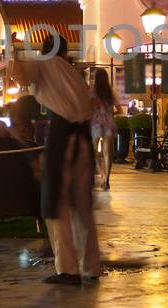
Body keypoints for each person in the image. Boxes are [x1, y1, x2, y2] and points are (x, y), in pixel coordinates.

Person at [8, 34, 100, 286]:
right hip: (83, 139)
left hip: (64, 135)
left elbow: (22, 77)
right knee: (82, 205)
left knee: (57, 203)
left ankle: (67, 268)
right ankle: (91, 266)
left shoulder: (44, 62)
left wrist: (15, 50)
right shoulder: (73, 72)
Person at [89, 67, 120, 191]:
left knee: (95, 152)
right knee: (108, 152)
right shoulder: (110, 92)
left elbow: (88, 108)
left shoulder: (92, 92)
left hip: (95, 124)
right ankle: (107, 179)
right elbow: (119, 110)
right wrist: (109, 114)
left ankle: (101, 174)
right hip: (108, 124)